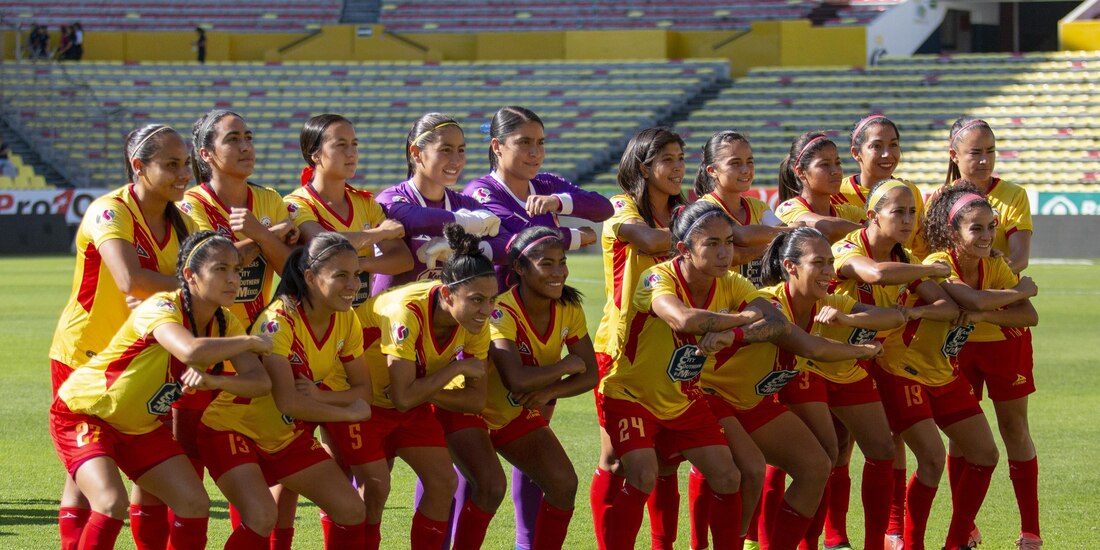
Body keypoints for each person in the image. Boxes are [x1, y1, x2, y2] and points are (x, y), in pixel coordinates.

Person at [50, 230, 273, 549]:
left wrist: (216, 381)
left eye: (237, 270)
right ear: (190, 275)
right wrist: (249, 341)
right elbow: (190, 350)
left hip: (139, 427)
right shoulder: (162, 306)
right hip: (86, 413)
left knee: (194, 502)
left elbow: (260, 383)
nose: (233, 279)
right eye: (220, 269)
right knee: (111, 502)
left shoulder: (224, 321)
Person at [598, 201, 794, 550]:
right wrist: (741, 319)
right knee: (642, 474)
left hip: (684, 399)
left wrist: (733, 334)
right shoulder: (657, 277)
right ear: (685, 249)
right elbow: (682, 319)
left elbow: (778, 322)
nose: (724, 252)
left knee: (728, 476)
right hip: (632, 396)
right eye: (712, 244)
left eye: (729, 242)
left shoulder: (732, 282)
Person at [49, 123, 197, 549]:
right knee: (88, 475)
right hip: (86, 354)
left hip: (141, 360)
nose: (183, 174)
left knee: (130, 476)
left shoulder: (184, 222)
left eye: (185, 163)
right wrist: (190, 287)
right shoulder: (110, 211)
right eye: (171, 165)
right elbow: (130, 280)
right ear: (138, 165)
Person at [836, 179, 997, 550]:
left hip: (886, 363)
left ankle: (952, 543)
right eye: (899, 212)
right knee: (828, 455)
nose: (908, 220)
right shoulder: (847, 248)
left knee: (984, 454)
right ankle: (841, 539)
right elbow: (876, 274)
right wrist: (930, 273)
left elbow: (949, 307)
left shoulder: (906, 259)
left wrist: (914, 310)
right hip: (838, 361)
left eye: (913, 212)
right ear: (872, 216)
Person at [198, 232, 372, 548]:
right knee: (262, 517)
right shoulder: (278, 320)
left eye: (357, 274)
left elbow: (363, 391)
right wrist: (347, 412)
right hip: (233, 429)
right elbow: (288, 402)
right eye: (341, 275)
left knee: (351, 509)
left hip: (283, 436)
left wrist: (322, 397)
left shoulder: (347, 320)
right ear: (310, 278)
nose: (353, 285)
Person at [182, 108, 301, 547]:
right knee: (187, 473)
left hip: (257, 345)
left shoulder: (268, 199)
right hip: (204, 343)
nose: (246, 146)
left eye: (248, 136)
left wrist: (259, 236)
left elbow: (292, 270)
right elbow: (209, 264)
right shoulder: (191, 205)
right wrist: (265, 237)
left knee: (262, 471)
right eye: (233, 139)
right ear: (206, 154)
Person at [756, 226, 905, 550]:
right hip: (732, 398)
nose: (828, 271)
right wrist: (862, 350)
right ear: (790, 266)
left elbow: (894, 319)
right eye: (818, 263)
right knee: (739, 472)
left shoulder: (829, 300)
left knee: (835, 457)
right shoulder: (770, 303)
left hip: (770, 389)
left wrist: (850, 320)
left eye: (830, 262)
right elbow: (813, 348)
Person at [352, 224, 493, 549]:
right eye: (476, 300)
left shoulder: (476, 321)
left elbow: (475, 400)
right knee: (374, 491)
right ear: (447, 294)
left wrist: (420, 390)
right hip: (362, 406)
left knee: (443, 482)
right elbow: (403, 397)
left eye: (490, 299)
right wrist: (456, 367)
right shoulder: (405, 311)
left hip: (410, 409)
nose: (487, 310)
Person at [824, 114, 928, 549]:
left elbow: (916, 264)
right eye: (876, 145)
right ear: (856, 152)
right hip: (828, 348)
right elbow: (821, 237)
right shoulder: (834, 194)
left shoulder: (906, 198)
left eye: (894, 144)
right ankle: (829, 535)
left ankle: (892, 530)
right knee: (828, 447)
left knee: (889, 439)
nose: (887, 153)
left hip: (886, 347)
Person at [923, 182, 1043, 549]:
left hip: (1007, 345)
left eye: (991, 226)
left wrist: (982, 315)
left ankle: (1031, 532)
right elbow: (975, 300)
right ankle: (965, 527)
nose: (988, 236)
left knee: (1015, 428)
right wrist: (1020, 291)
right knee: (963, 438)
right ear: (951, 231)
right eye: (976, 228)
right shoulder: (938, 263)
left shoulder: (994, 264)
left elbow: (1030, 316)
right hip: (960, 350)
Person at [590, 127, 686, 550]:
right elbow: (647, 239)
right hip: (621, 352)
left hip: (672, 351)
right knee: (616, 461)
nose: (678, 167)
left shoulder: (685, 213)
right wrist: (705, 237)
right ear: (644, 168)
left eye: (681, 158)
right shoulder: (622, 206)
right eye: (668, 159)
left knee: (667, 462)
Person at [464, 106, 612, 291]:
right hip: (497, 303)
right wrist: (574, 237)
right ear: (496, 146)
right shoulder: (481, 191)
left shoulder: (546, 184)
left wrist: (557, 202)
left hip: (544, 300)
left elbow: (604, 208)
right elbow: (523, 237)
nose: (535, 152)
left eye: (540, 142)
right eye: (524, 142)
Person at [284, 113, 413, 311]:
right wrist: (380, 233)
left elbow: (403, 260)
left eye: (354, 144)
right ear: (315, 154)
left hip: (362, 323)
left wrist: (359, 264)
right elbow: (326, 245)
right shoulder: (297, 203)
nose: (351, 153)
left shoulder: (365, 203)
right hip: (318, 322)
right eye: (341, 145)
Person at [374, 113, 503, 293]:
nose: (456, 160)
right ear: (416, 153)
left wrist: (468, 247)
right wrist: (470, 223)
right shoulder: (391, 198)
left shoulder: (463, 203)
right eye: (446, 150)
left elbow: (508, 245)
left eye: (461, 150)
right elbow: (414, 219)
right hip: (392, 309)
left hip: (443, 309)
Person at [693, 130, 788, 287]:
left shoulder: (758, 206)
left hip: (758, 296)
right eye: (735, 163)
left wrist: (785, 235)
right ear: (712, 171)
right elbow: (735, 255)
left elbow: (788, 237)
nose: (746, 170)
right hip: (723, 298)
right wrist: (775, 244)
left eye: (750, 162)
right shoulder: (704, 208)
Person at [942, 117, 1032, 274]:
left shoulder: (1015, 195)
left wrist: (987, 282)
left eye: (990, 151)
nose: (985, 160)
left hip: (1001, 288)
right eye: (975, 152)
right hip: (953, 287)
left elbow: (1020, 259)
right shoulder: (940, 198)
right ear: (954, 155)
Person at [774, 132, 865, 242]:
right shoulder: (788, 208)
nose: (836, 171)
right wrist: (865, 231)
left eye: (838, 163)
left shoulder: (848, 212)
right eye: (824, 164)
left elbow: (879, 230)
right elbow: (828, 228)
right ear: (800, 172)